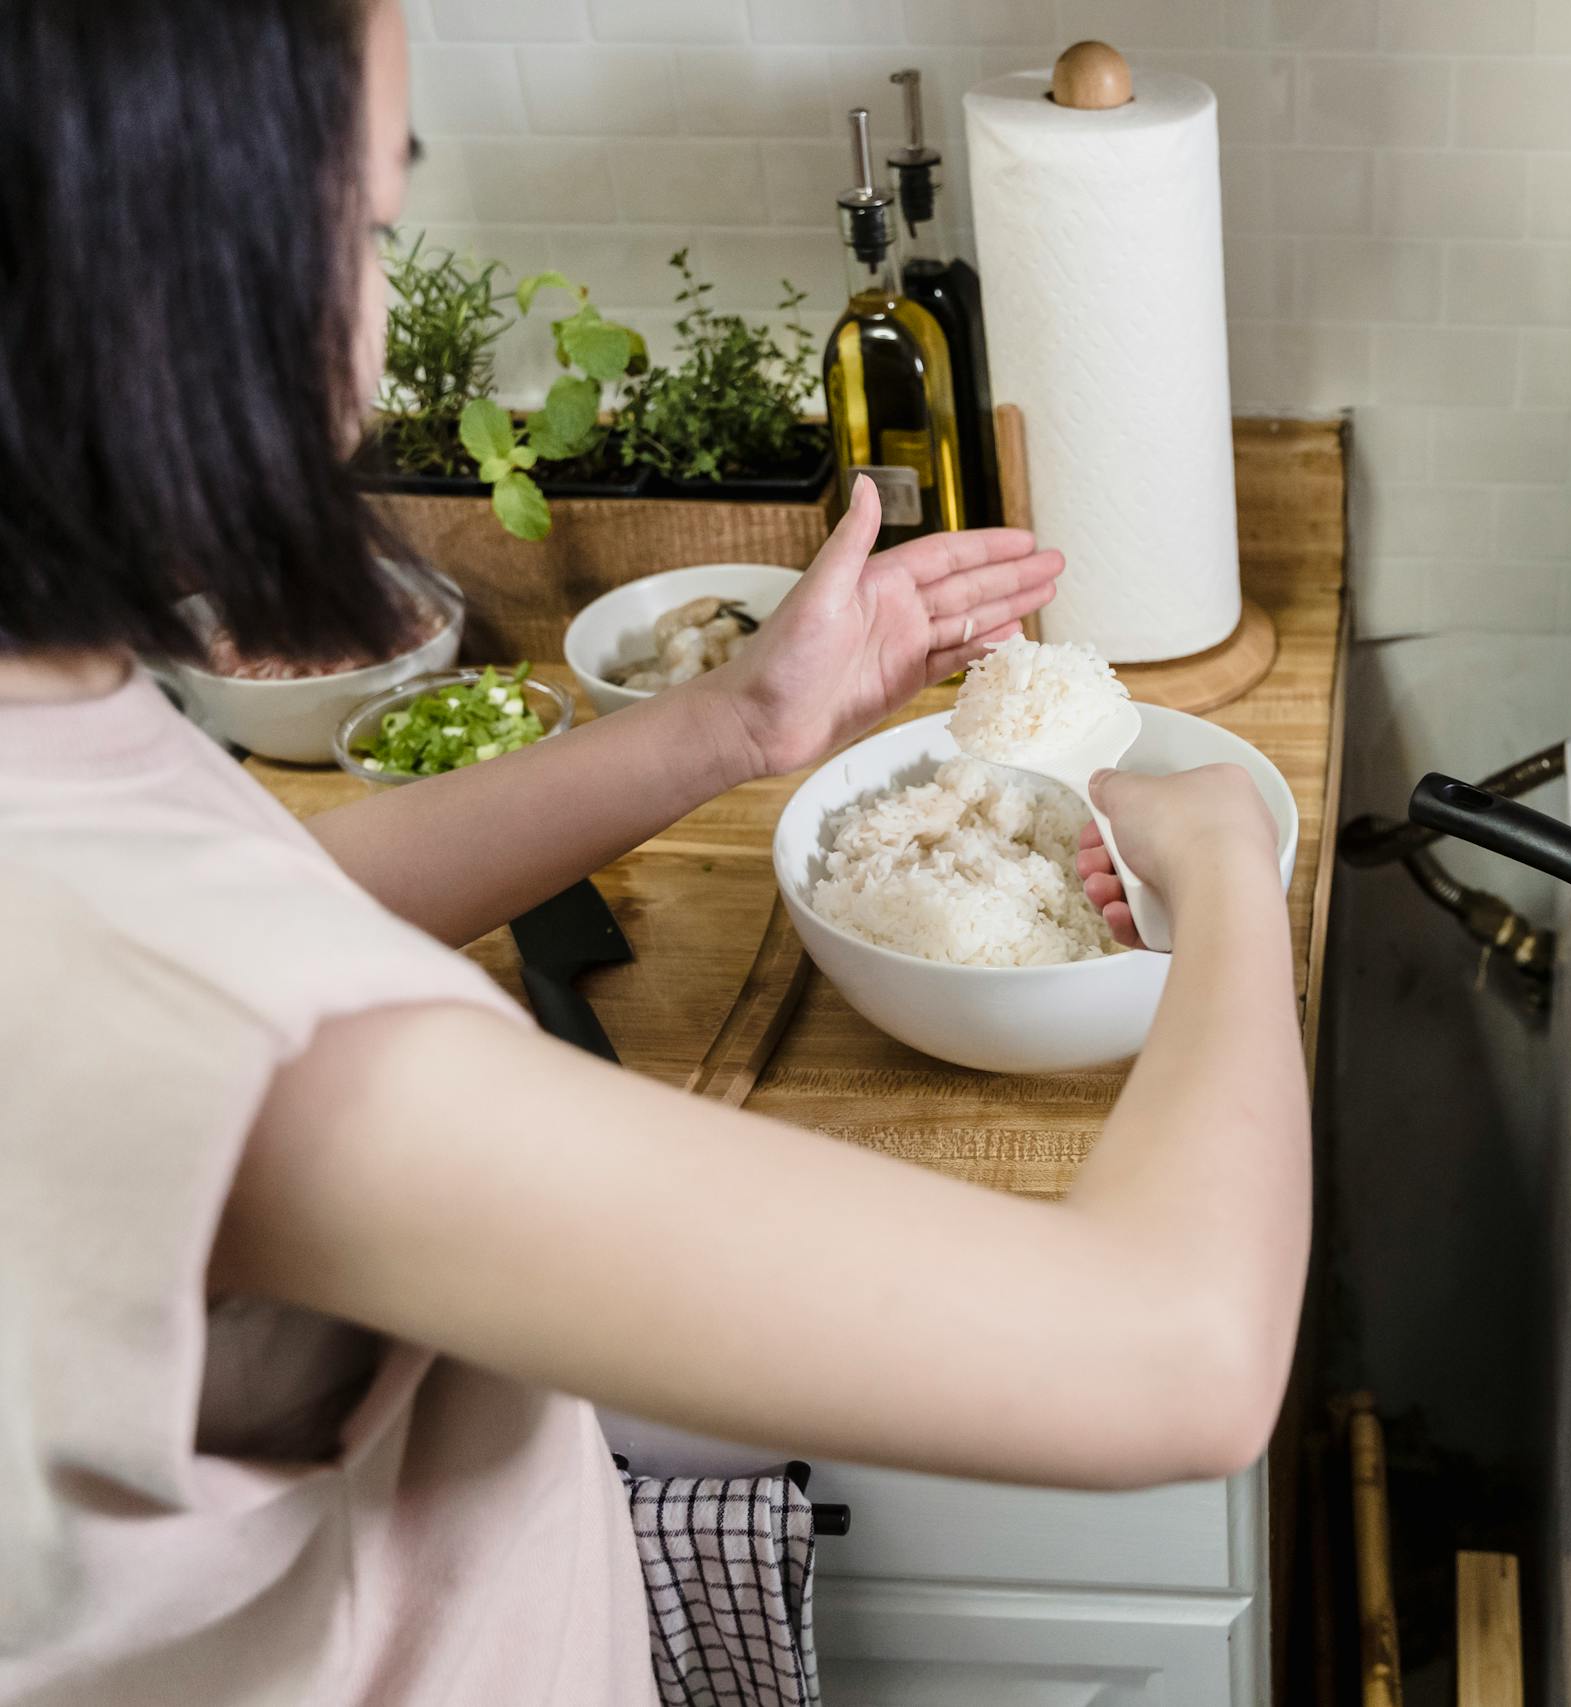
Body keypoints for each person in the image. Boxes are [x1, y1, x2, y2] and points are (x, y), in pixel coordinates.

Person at [0, 1, 1309, 1700]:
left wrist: (731, 729)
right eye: (371, 221)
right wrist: (1218, 875)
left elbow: (233, 922)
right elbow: (1180, 1359)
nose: (381, 306)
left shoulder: (65, 784)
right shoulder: (293, 1077)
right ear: (163, 255)